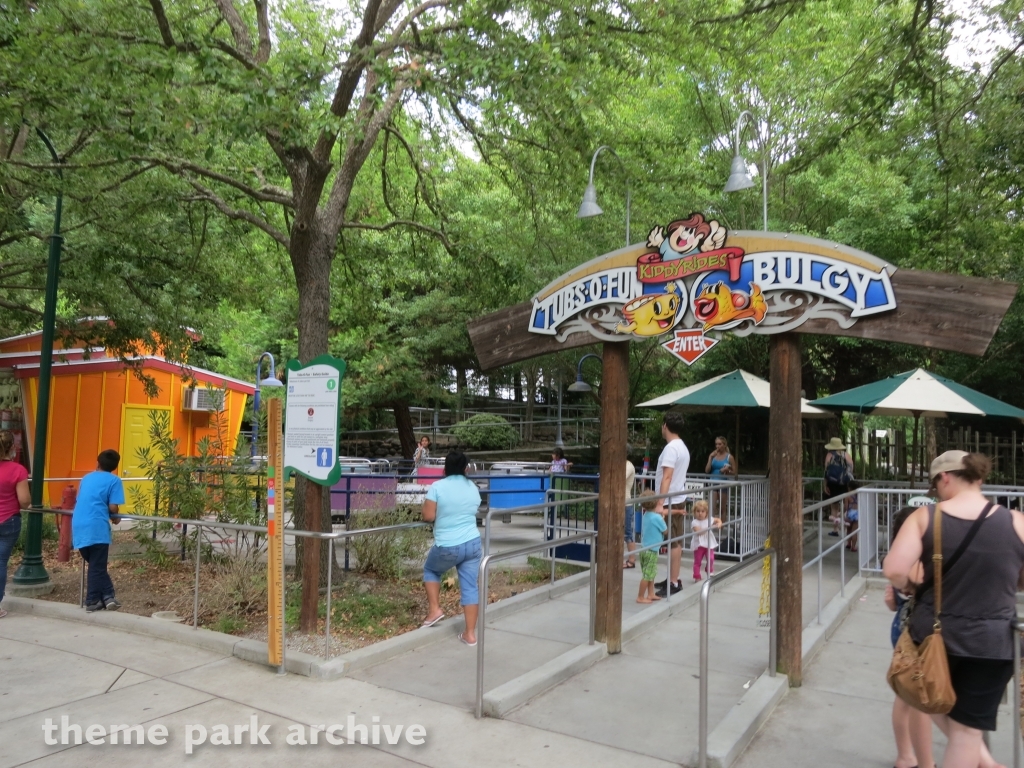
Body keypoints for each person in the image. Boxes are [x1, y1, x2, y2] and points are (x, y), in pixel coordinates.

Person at [884, 451, 1024, 768]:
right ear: (979, 478)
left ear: (945, 477)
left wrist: (910, 585)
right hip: (993, 642)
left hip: (934, 638)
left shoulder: (925, 517)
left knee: (927, 701)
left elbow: (894, 569)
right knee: (967, 733)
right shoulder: (1016, 521)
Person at [884, 506, 934, 768]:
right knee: (915, 698)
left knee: (906, 697)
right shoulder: (914, 561)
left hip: (903, 627)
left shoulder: (899, 556)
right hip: (913, 633)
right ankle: (911, 757)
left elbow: (893, 601)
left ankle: (906, 756)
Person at [420, 451, 483, 646]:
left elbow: (428, 516)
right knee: (470, 586)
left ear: (445, 468)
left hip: (448, 544)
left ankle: (434, 610)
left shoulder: (437, 487)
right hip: (473, 543)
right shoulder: (473, 487)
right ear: (465, 468)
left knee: (431, 570)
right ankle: (470, 634)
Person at [72, 449, 126, 612]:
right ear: (115, 467)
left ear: (98, 463)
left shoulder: (86, 478)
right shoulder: (114, 481)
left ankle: (108, 597)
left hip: (79, 524)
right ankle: (93, 600)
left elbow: (81, 499)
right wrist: (115, 516)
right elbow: (113, 507)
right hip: (97, 527)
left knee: (96, 565)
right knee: (97, 566)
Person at [653, 411, 690, 597]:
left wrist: (660, 502)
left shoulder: (671, 448)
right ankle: (673, 578)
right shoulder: (682, 446)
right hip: (677, 498)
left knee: (674, 542)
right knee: (674, 541)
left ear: (665, 426)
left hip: (670, 500)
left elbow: (667, 476)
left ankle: (674, 582)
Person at [0, 430, 30, 618]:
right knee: (1, 562)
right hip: (8, 520)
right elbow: (24, 500)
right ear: (12, 447)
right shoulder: (17, 470)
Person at [637, 491, 665, 604]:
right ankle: (640, 596)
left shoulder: (646, 515)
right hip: (651, 550)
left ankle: (651, 593)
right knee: (647, 575)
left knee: (650, 573)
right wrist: (662, 518)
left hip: (644, 549)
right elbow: (665, 530)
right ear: (656, 502)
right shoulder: (657, 518)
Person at [824, 437, 854, 536]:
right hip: (845, 483)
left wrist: (825, 485)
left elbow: (826, 471)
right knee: (846, 506)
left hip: (832, 484)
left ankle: (835, 529)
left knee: (834, 506)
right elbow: (851, 469)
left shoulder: (829, 455)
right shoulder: (846, 455)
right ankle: (845, 527)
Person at [704, 436, 737, 517]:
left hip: (723, 483)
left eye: (720, 444)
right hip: (712, 482)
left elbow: (735, 472)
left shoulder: (729, 457)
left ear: (724, 445)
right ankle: (711, 524)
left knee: (722, 508)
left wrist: (727, 471)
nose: (717, 446)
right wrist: (710, 457)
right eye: (716, 444)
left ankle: (722, 524)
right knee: (712, 507)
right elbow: (707, 470)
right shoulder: (713, 456)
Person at [690, 500, 722, 581]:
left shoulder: (709, 519)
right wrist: (711, 527)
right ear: (694, 512)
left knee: (711, 558)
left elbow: (718, 520)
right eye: (698, 511)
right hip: (699, 544)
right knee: (698, 561)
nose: (700, 513)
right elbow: (700, 532)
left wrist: (719, 523)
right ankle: (697, 576)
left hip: (708, 543)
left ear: (706, 512)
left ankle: (709, 569)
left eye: (702, 511)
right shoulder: (694, 522)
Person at [623, 459, 638, 569]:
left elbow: (620, 478)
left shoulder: (628, 465)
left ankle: (632, 560)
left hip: (626, 504)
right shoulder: (621, 465)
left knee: (628, 533)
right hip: (620, 503)